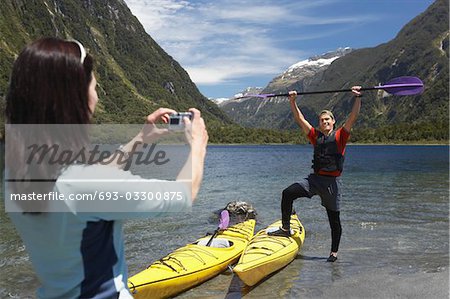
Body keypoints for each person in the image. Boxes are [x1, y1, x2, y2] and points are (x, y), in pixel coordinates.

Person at [5, 37, 208, 298]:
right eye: (94, 88)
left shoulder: (16, 173)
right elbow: (182, 195)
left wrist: (141, 139)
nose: (97, 97)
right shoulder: (83, 185)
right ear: (75, 98)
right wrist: (198, 144)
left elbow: (88, 184)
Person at [268, 86, 362, 263]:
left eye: (327, 119)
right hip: (314, 181)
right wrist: (292, 101)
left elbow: (353, 117)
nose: (324, 122)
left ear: (333, 122)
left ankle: (334, 252)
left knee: (334, 219)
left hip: (331, 184)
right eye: (321, 120)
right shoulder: (314, 136)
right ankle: (286, 228)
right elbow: (299, 119)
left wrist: (357, 97)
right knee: (287, 193)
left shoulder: (341, 135)